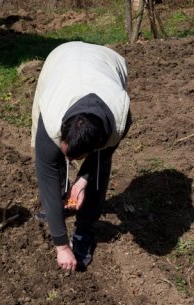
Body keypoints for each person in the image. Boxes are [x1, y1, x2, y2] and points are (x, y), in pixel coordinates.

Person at [31, 41, 132, 271]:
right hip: (60, 61)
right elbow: (46, 173)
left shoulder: (120, 119)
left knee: (98, 171)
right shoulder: (52, 117)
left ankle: (85, 230)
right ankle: (59, 201)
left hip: (105, 63)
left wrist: (85, 177)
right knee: (51, 161)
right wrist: (61, 245)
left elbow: (103, 154)